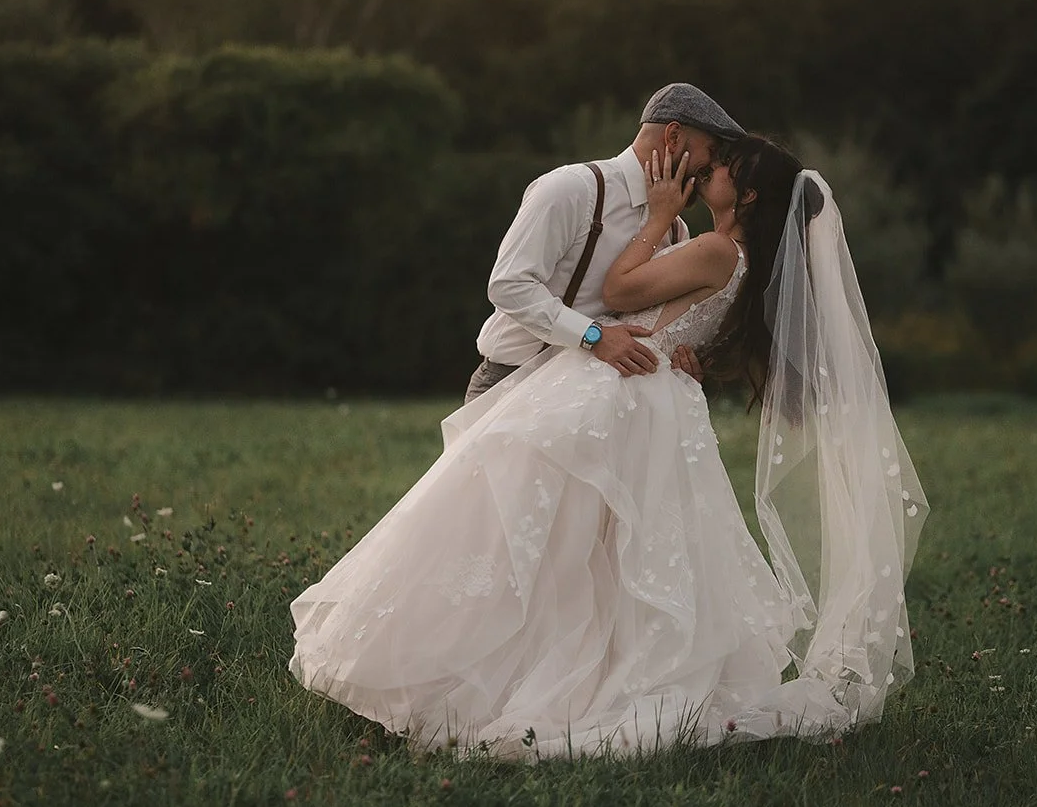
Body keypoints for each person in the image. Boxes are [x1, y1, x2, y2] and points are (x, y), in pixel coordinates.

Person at [289, 135, 929, 760]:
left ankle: (500, 670)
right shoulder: (741, 258)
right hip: (654, 394)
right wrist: (692, 350)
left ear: (750, 193)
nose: (709, 171)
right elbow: (704, 327)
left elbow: (621, 292)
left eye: (725, 168)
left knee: (543, 528)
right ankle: (545, 660)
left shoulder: (712, 247)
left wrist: (656, 219)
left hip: (618, 387)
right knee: (598, 542)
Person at [465, 82, 747, 404]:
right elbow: (508, 284)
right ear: (672, 137)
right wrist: (592, 336)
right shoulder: (571, 189)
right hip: (510, 383)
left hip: (592, 401)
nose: (709, 168)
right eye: (709, 152)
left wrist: (680, 367)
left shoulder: (675, 230)